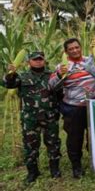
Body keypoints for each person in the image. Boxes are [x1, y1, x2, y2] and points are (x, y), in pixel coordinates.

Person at [2, 51, 61, 183]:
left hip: (49, 116)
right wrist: (10, 73)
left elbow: (60, 90)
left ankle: (55, 169)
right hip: (30, 118)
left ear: (44, 60)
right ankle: (32, 172)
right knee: (30, 145)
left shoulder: (52, 75)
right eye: (35, 59)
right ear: (29, 61)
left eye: (40, 59)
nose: (38, 61)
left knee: (53, 144)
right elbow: (7, 84)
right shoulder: (22, 77)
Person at [49, 38, 95, 178]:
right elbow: (52, 85)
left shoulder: (90, 60)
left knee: (93, 136)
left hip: (93, 106)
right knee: (75, 139)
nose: (75, 50)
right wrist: (60, 75)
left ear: (80, 47)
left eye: (77, 47)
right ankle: (76, 166)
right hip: (73, 108)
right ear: (66, 52)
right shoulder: (62, 66)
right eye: (71, 49)